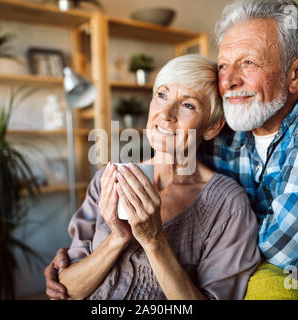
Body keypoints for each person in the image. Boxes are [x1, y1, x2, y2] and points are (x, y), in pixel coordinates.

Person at [46, 54, 261, 300]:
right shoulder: (108, 178)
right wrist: (117, 238)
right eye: (162, 95)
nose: (166, 114)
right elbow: (65, 291)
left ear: (212, 127)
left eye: (188, 105)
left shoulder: (228, 204)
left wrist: (154, 240)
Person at [196, 0, 298, 299]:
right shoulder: (218, 133)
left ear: (296, 73)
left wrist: (208, 258)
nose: (230, 81)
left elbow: (284, 242)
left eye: (248, 62)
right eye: (223, 65)